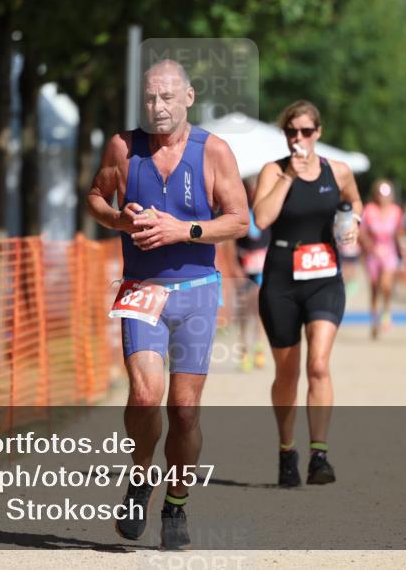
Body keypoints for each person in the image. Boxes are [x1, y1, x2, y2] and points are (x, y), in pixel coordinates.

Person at [86, 59, 248, 549]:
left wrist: (186, 230)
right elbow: (96, 197)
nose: (158, 108)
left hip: (197, 291)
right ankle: (140, 476)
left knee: (184, 410)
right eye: (150, 99)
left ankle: (176, 502)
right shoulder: (123, 147)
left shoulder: (213, 152)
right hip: (141, 288)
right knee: (143, 395)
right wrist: (119, 221)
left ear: (189, 98)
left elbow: (239, 219)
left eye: (167, 98)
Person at [252, 100, 361, 488]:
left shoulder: (339, 171)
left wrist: (352, 222)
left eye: (306, 131)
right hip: (281, 280)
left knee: (318, 365)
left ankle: (319, 455)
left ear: (318, 133)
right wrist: (288, 178)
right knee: (287, 373)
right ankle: (287, 449)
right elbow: (262, 218)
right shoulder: (273, 171)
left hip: (324, 278)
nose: (299, 138)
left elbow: (352, 200)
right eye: (291, 132)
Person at [359, 179, 405, 338]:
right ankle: (374, 320)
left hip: (389, 252)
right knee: (374, 289)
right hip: (373, 253)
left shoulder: (396, 211)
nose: (383, 197)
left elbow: (399, 234)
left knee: (386, 285)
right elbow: (362, 232)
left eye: (386, 194)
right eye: (380, 193)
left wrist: (404, 252)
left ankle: (386, 309)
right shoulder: (369, 210)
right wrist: (370, 247)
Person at [234, 176, 270, 371]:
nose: (253, 193)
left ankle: (258, 348)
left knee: (260, 310)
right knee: (244, 311)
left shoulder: (267, 213)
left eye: (256, 189)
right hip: (245, 269)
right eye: (250, 189)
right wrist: (236, 264)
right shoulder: (241, 213)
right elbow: (233, 243)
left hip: (262, 269)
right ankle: (244, 349)